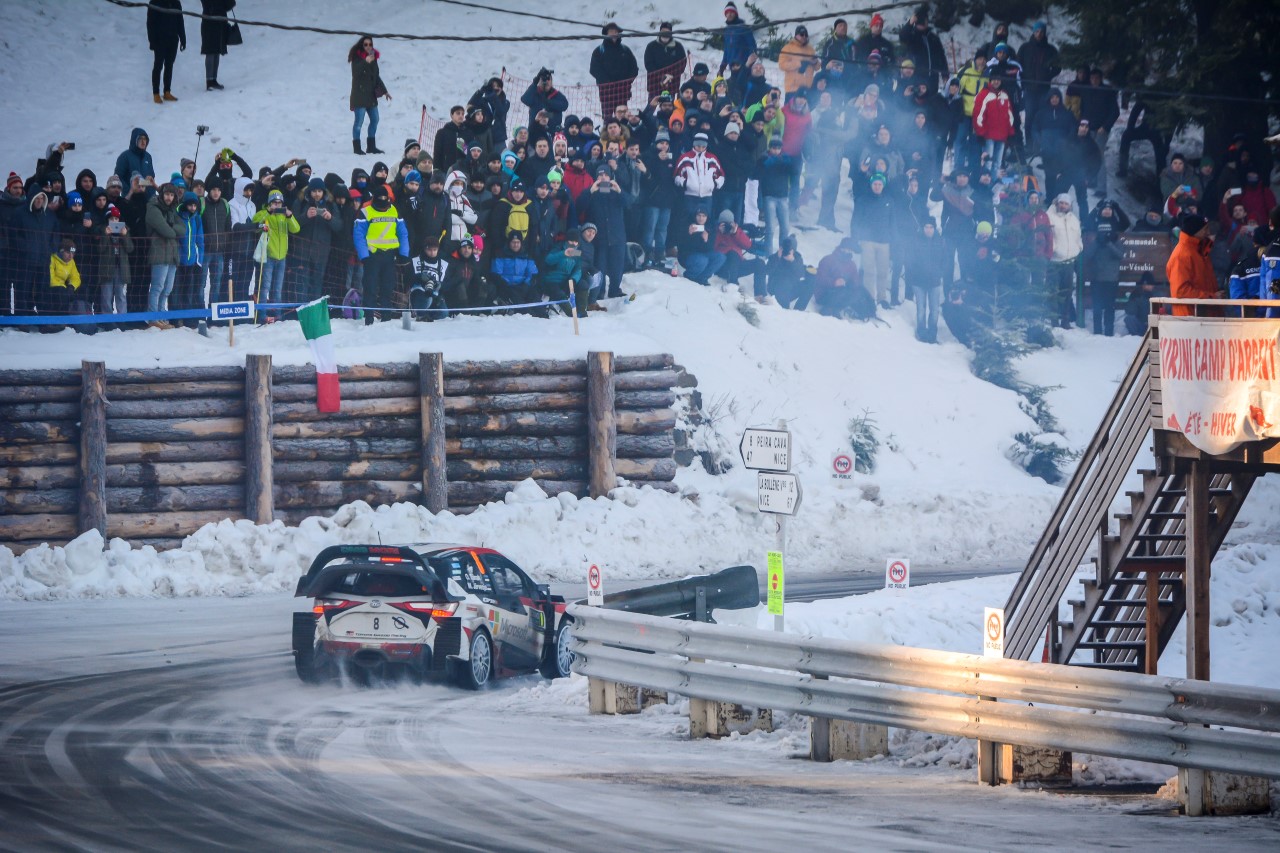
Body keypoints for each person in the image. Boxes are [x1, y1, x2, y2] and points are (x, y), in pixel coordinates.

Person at [354, 184, 408, 323]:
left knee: (388, 288)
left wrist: (404, 253)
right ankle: (369, 318)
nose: (383, 201)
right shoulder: (365, 212)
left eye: (385, 198)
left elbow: (403, 233)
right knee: (370, 287)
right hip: (372, 256)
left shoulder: (394, 211)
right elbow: (358, 235)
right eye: (380, 198)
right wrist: (364, 256)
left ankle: (386, 318)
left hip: (390, 256)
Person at [250, 189, 300, 320]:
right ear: (269, 203)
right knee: (265, 287)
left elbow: (296, 229)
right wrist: (268, 211)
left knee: (278, 288)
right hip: (268, 256)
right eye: (274, 203)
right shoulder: (264, 213)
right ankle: (262, 314)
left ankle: (278, 315)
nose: (277, 205)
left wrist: (290, 216)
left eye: (279, 203)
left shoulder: (284, 216)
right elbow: (256, 224)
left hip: (282, 257)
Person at [1166, 212, 1220, 317]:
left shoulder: (1199, 251)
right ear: (1195, 231)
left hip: (1201, 316)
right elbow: (1181, 291)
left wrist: (1213, 296)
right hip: (1190, 318)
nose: (1208, 232)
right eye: (1205, 229)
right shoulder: (1182, 255)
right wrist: (1212, 297)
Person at [1085, 199, 1125, 335]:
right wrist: (1097, 242)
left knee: (1109, 307)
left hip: (1111, 279)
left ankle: (1109, 331)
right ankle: (1097, 331)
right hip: (1097, 278)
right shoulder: (1096, 241)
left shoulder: (1116, 241)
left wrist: (1109, 243)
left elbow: (1120, 255)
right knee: (1097, 308)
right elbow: (1088, 255)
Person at [145, 183, 182, 325]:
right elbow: (166, 231)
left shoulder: (172, 210)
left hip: (172, 254)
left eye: (172, 195)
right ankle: (153, 318)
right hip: (159, 253)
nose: (169, 197)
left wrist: (171, 227)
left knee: (167, 289)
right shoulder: (153, 208)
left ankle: (161, 316)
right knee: (157, 288)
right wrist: (172, 230)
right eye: (167, 194)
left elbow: (183, 229)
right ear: (162, 195)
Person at [905, 218, 948, 342]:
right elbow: (909, 260)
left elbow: (946, 260)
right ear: (922, 228)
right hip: (918, 281)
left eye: (931, 227)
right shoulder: (915, 240)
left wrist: (940, 273)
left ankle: (932, 333)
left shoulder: (941, 241)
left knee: (934, 310)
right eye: (926, 227)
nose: (929, 230)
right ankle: (921, 332)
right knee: (921, 309)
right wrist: (914, 274)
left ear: (935, 228)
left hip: (934, 281)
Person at [349, 36, 391, 155]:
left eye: (370, 44)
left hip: (370, 96)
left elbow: (376, 76)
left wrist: (385, 91)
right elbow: (356, 73)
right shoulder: (357, 58)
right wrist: (365, 61)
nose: (368, 47)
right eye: (365, 44)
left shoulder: (373, 58)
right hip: (359, 96)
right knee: (359, 122)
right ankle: (357, 147)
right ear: (361, 46)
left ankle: (371, 146)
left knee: (375, 119)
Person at [1047, 193, 1083, 328]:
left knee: (1067, 292)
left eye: (1066, 203)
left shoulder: (1074, 219)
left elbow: (1078, 238)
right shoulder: (1050, 216)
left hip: (1069, 262)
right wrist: (1054, 248)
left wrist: (1078, 248)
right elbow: (1047, 236)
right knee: (1053, 292)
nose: (1063, 206)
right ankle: (1054, 320)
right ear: (1057, 203)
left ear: (1070, 206)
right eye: (1061, 203)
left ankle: (1065, 320)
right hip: (1054, 262)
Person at [1016, 21, 1058, 135]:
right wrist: (1023, 79)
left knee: (1042, 116)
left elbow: (1058, 66)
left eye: (1041, 32)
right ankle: (1029, 142)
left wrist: (1047, 76)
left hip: (1044, 90)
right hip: (1029, 89)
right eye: (1037, 31)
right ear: (1033, 32)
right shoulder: (1025, 48)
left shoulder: (1050, 50)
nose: (1039, 34)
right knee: (1029, 116)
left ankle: (1040, 142)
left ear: (1044, 33)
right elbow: (1018, 65)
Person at [674, 132, 725, 224]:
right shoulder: (685, 158)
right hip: (690, 197)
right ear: (694, 144)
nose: (700, 148)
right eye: (698, 146)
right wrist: (685, 183)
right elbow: (677, 175)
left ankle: (705, 234)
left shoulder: (712, 158)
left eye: (703, 146)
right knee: (689, 220)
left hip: (707, 197)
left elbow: (721, 175)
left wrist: (715, 184)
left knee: (706, 221)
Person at [590, 23, 638, 119]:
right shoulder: (599, 51)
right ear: (606, 33)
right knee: (607, 118)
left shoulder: (625, 50)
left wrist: (627, 82)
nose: (614, 34)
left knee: (622, 117)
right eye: (611, 31)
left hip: (623, 90)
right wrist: (607, 83)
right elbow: (594, 69)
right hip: (606, 92)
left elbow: (634, 68)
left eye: (616, 31)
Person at [813, 239, 869, 318]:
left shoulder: (851, 264)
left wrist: (852, 283)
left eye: (851, 250)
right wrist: (834, 282)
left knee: (857, 292)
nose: (849, 252)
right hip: (824, 294)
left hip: (842, 293)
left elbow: (856, 282)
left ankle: (837, 309)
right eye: (848, 249)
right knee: (841, 291)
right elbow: (819, 278)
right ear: (842, 248)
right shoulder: (828, 259)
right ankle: (827, 309)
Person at [897, 5, 948, 91]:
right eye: (920, 20)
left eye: (924, 20)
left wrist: (945, 74)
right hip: (916, 76)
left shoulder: (933, 38)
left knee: (933, 97)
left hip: (933, 77)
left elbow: (941, 57)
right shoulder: (911, 35)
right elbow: (902, 36)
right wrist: (910, 23)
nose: (922, 22)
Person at [972, 76, 1014, 177]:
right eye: (994, 79)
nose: (996, 82)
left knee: (997, 164)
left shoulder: (1004, 95)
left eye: (998, 79)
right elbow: (978, 115)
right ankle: (985, 184)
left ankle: (993, 184)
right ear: (990, 81)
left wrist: (1010, 132)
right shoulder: (984, 94)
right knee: (988, 163)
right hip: (988, 136)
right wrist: (980, 133)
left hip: (1002, 136)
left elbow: (1010, 116)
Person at [174, 191, 205, 325]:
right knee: (176, 292)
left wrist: (199, 261)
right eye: (190, 205)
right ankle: (175, 318)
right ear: (185, 205)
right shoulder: (178, 217)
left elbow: (200, 240)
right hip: (178, 262)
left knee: (189, 291)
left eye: (195, 205)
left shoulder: (197, 218)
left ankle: (188, 319)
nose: (193, 208)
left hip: (192, 262)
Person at [147, 0, 186, 104]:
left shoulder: (176, 2)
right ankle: (156, 93)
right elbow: (150, 23)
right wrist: (152, 41)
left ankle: (167, 92)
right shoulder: (155, 2)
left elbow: (180, 20)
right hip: (160, 39)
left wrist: (183, 38)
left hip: (173, 38)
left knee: (169, 65)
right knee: (158, 65)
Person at [757, 138, 792, 255]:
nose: (776, 151)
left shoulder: (785, 159)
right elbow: (759, 171)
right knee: (770, 229)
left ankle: (782, 253)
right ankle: (768, 254)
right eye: (774, 148)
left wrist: (782, 161)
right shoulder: (764, 159)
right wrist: (774, 161)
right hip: (769, 197)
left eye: (778, 148)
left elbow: (793, 171)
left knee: (785, 228)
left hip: (783, 197)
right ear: (770, 148)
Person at [678, 207, 724, 285]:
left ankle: (702, 278)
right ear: (695, 216)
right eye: (699, 215)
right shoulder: (688, 224)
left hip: (702, 254)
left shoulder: (709, 227)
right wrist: (689, 234)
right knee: (702, 260)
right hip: (687, 255)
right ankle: (689, 276)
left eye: (703, 216)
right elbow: (682, 245)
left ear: (707, 217)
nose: (701, 218)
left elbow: (710, 248)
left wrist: (706, 240)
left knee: (720, 257)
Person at [764, 235, 811, 309]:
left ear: (793, 251)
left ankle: (799, 310)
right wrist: (777, 258)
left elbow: (800, 274)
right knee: (785, 281)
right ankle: (784, 310)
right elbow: (767, 271)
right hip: (776, 289)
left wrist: (792, 261)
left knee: (809, 284)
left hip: (791, 289)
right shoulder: (775, 257)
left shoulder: (797, 258)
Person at [644, 22, 686, 103]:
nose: (665, 34)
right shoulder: (651, 46)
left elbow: (682, 64)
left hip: (672, 85)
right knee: (652, 107)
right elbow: (648, 64)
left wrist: (670, 76)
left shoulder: (678, 46)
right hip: (654, 85)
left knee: (669, 107)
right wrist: (661, 76)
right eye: (663, 31)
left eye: (668, 31)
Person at [199, 0, 235, 91]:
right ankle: (209, 81)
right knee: (210, 52)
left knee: (217, 51)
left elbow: (230, 4)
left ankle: (214, 79)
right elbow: (208, 5)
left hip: (220, 24)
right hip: (209, 24)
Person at [719, 3, 758, 75]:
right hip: (732, 67)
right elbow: (727, 50)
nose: (729, 14)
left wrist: (749, 63)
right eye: (727, 13)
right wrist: (722, 67)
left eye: (731, 12)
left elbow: (752, 46)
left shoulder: (743, 28)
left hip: (745, 66)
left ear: (735, 14)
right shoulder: (727, 30)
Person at [777, 25, 817, 95]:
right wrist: (799, 63)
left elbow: (817, 67)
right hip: (792, 89)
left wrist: (815, 62)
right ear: (796, 35)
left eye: (806, 35)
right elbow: (782, 65)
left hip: (808, 88)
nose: (804, 36)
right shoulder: (788, 48)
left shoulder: (811, 49)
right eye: (802, 34)